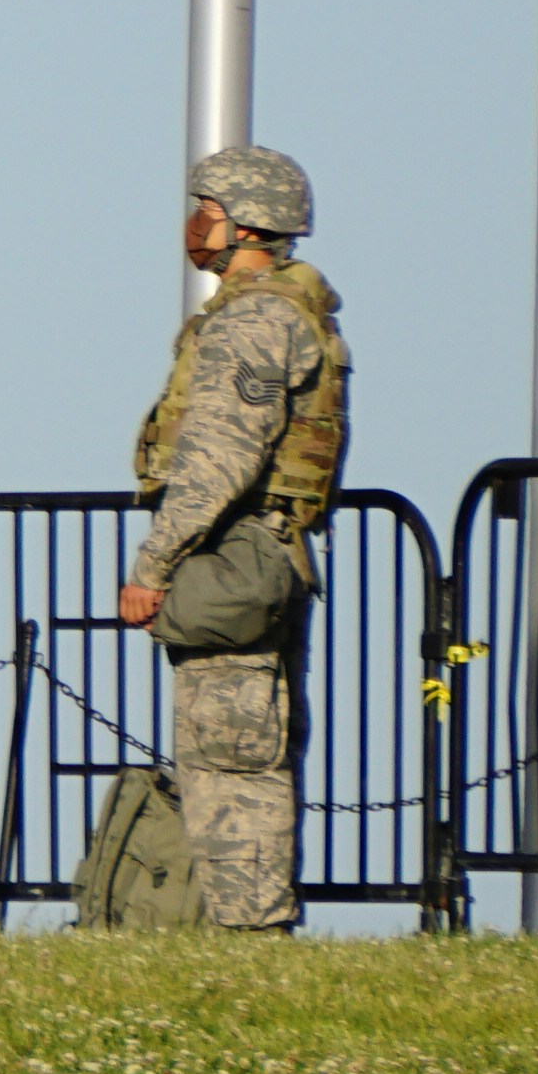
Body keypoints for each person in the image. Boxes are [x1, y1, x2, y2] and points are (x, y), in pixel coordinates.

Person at [109, 148, 351, 933]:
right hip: (262, 551)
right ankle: (248, 932)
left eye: (205, 206)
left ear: (243, 223)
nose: (195, 222)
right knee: (250, 751)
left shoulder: (255, 319)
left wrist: (153, 565)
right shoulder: (285, 310)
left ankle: (248, 938)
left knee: (232, 764)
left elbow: (218, 458)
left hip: (233, 551)